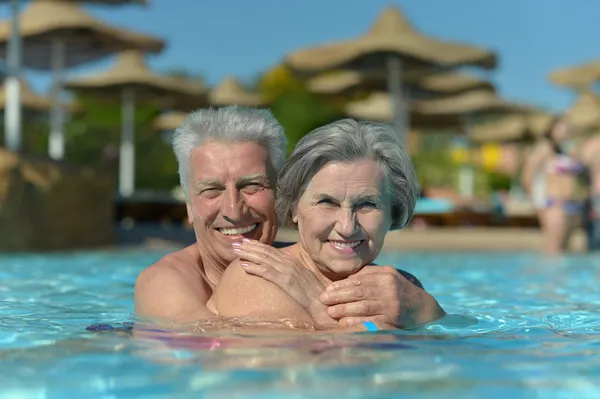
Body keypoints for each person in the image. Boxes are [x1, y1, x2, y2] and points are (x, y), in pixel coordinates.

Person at [134, 106, 445, 329]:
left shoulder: (398, 285)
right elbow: (219, 359)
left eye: (252, 185)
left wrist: (425, 309)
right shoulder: (178, 281)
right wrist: (317, 305)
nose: (232, 210)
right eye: (211, 190)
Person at [521, 116, 585, 255]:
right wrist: (536, 199)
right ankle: (550, 275)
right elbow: (528, 172)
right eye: (560, 129)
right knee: (553, 245)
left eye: (567, 130)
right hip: (551, 202)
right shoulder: (544, 148)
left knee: (562, 245)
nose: (563, 133)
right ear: (551, 130)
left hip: (566, 204)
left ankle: (556, 275)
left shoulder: (564, 150)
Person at [579, 131, 600, 251]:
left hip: (593, 195)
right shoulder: (593, 145)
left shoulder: (591, 145)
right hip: (596, 195)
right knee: (595, 236)